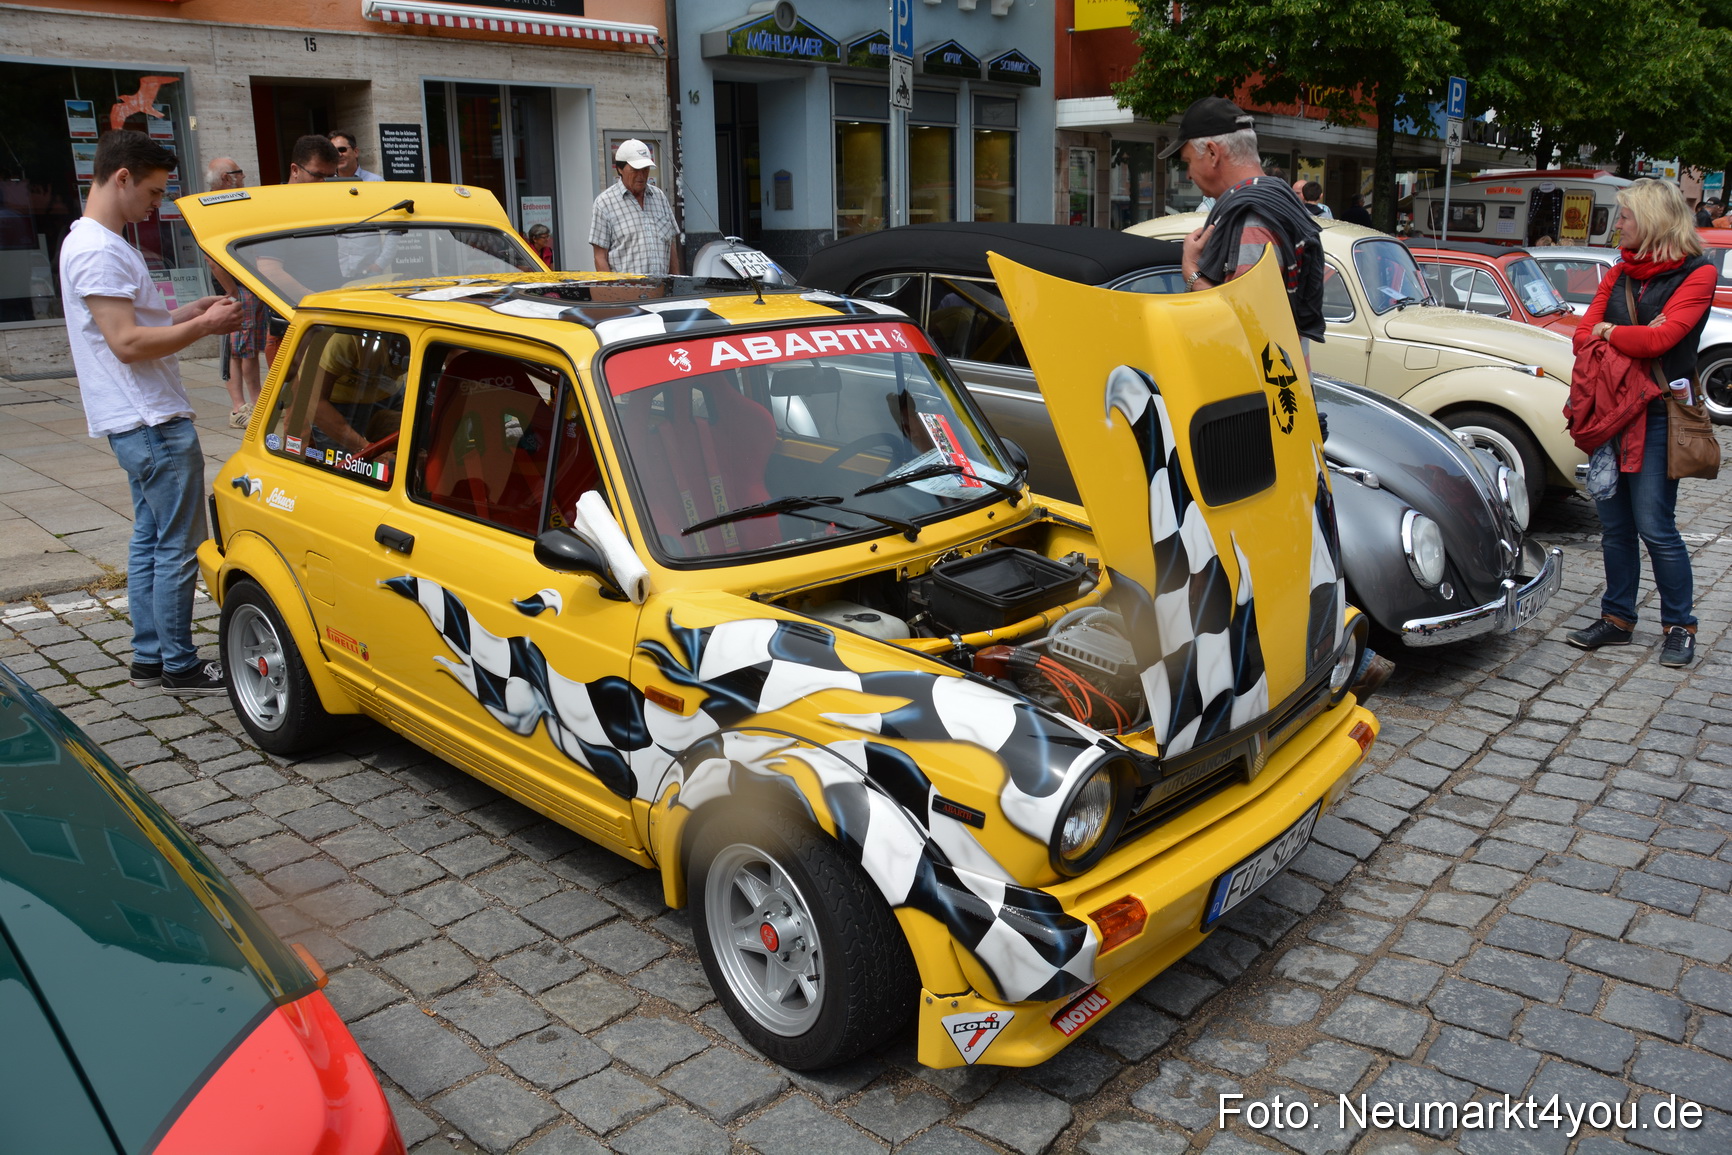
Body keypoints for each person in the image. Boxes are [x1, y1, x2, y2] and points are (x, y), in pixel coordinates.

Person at [59, 131, 241, 695]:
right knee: (177, 547)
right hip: (150, 421)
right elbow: (127, 344)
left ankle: (150, 659)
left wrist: (189, 312)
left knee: (149, 541)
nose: (156, 205)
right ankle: (179, 664)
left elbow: (139, 326)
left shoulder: (99, 241)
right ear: (122, 178)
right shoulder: (97, 248)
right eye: (155, 191)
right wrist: (205, 328)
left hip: (139, 421)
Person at [1568, 179, 1715, 667]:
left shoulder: (1698, 274)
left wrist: (1613, 333)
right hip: (1610, 414)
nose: (1618, 224)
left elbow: (1664, 341)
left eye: (1625, 216)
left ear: (1651, 219)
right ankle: (1617, 619)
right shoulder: (1620, 272)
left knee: (1655, 525)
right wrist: (1623, 333)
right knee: (1614, 527)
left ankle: (1680, 625)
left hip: (1657, 416)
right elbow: (1582, 335)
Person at [1169, 98, 1324, 354]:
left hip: (1261, 389)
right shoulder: (1280, 200)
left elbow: (1249, 326)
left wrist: (1192, 272)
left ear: (1212, 153)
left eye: (1187, 162)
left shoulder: (1252, 220)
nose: (1188, 175)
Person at [205, 157, 271, 427]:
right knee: (242, 349)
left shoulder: (230, 204)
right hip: (237, 286)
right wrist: (233, 290)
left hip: (244, 285)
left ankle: (248, 404)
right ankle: (247, 406)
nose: (243, 177)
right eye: (239, 172)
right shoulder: (212, 207)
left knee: (244, 348)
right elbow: (212, 257)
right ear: (225, 179)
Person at [589, 139, 679, 276]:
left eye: (645, 169)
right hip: (627, 293)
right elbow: (600, 257)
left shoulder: (659, 197)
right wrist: (612, 292)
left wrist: (676, 284)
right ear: (619, 169)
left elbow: (670, 246)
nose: (641, 175)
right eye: (635, 170)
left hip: (662, 292)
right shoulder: (605, 203)